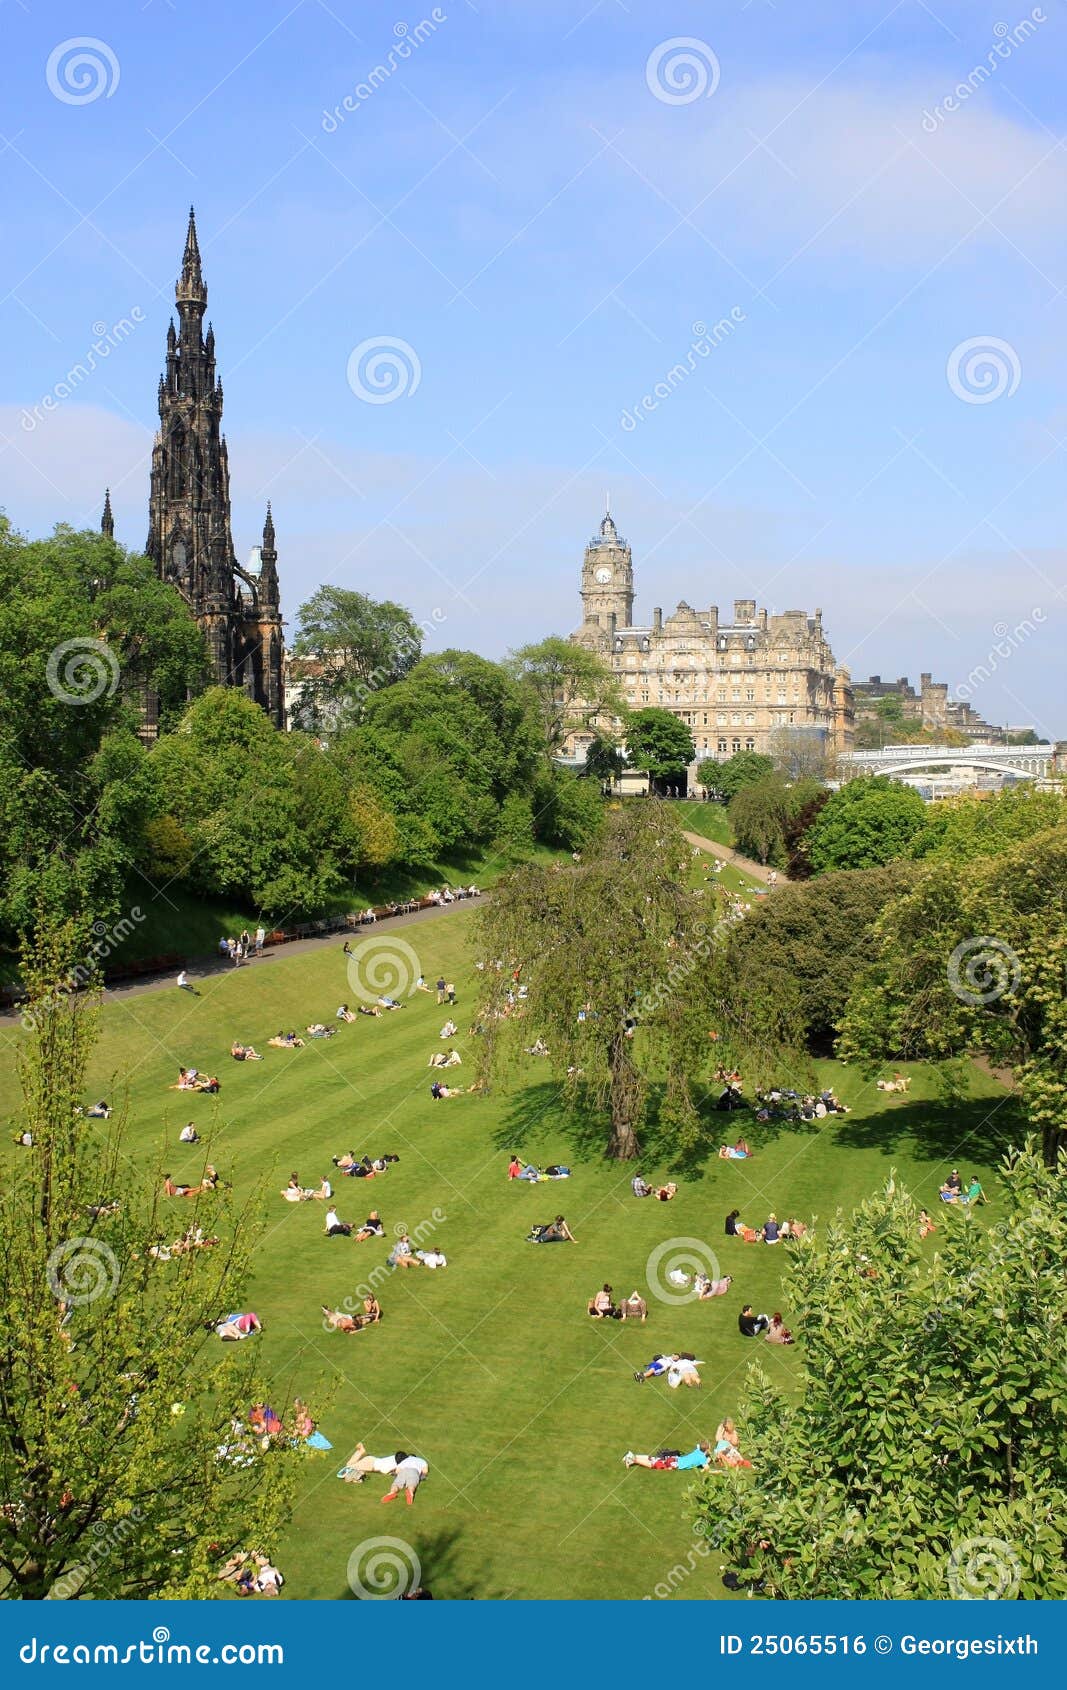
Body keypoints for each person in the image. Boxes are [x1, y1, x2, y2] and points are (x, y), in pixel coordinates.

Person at [623, 1442, 711, 1471]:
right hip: (675, 1464)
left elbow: (700, 1446)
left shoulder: (697, 1450)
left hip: (675, 1459)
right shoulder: (702, 1458)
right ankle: (633, 1459)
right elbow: (706, 1469)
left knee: (653, 1459)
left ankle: (633, 1456)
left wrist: (707, 1456)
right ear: (706, 1450)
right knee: (653, 1465)